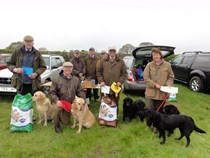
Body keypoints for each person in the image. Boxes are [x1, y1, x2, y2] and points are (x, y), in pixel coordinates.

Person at [49, 62, 85, 133]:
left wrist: (83, 101)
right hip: (60, 102)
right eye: (66, 67)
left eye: (70, 67)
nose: (68, 69)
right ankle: (57, 126)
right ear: (63, 68)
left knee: (66, 122)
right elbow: (52, 92)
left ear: (72, 69)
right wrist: (57, 101)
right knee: (56, 109)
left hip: (70, 104)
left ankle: (61, 116)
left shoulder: (76, 80)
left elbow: (80, 91)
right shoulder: (56, 79)